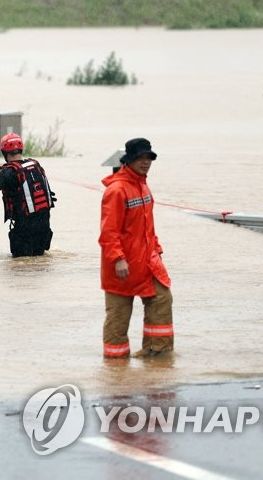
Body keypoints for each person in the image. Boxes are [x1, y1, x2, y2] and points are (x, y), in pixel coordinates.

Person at [98, 138, 173, 359]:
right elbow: (108, 232)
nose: (145, 162)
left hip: (148, 262)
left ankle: (158, 355)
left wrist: (157, 251)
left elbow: (148, 227)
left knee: (162, 299)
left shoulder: (142, 186)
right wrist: (118, 259)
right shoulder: (117, 190)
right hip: (122, 266)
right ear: (128, 160)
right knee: (118, 319)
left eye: (149, 158)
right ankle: (116, 371)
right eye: (140, 158)